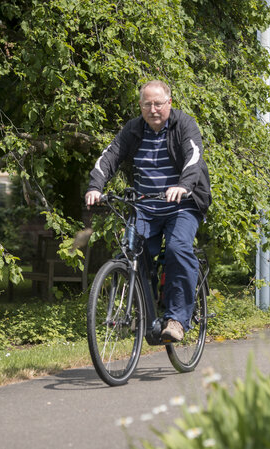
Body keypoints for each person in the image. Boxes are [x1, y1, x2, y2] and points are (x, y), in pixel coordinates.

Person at [85, 80, 211, 342]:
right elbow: (109, 156)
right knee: (130, 253)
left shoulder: (184, 125)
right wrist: (95, 186)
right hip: (145, 206)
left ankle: (177, 319)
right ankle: (147, 315)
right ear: (141, 106)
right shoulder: (134, 129)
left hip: (182, 206)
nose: (153, 109)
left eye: (158, 103)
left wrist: (183, 186)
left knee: (177, 248)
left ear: (169, 103)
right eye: (147, 104)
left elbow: (194, 158)